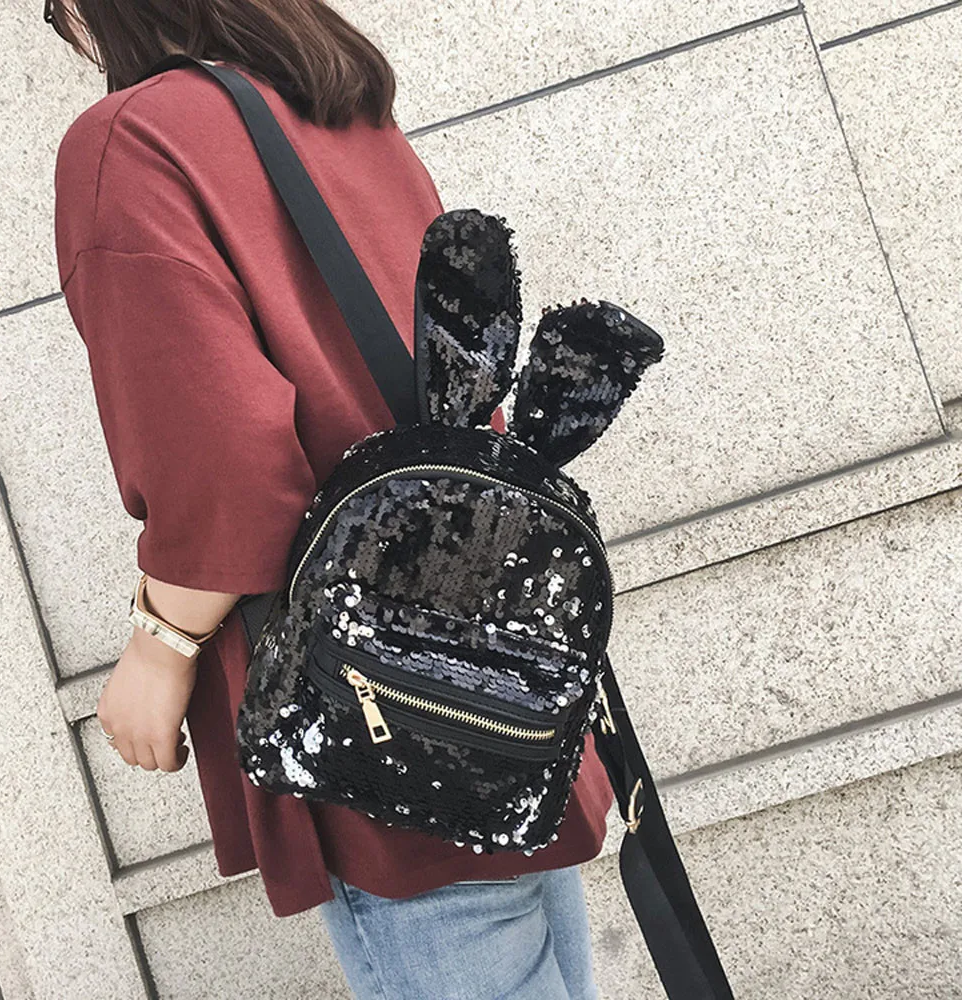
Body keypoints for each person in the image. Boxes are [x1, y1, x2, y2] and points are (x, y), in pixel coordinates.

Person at [48, 1, 614, 996]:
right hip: (498, 675)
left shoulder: (131, 143)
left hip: (372, 714)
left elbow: (220, 458)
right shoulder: (335, 101)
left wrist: (161, 646)